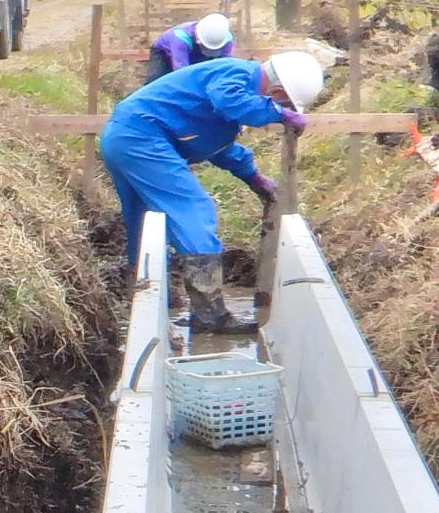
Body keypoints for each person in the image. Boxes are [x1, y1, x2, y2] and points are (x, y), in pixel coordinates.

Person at [98, 50, 326, 332]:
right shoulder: (237, 75)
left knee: (145, 221)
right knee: (195, 209)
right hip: (141, 138)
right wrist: (278, 113)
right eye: (283, 102)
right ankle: (209, 314)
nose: (275, 109)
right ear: (277, 91)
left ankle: (147, 297)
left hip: (124, 137)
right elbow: (230, 101)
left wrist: (253, 177)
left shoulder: (230, 88)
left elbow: (214, 144)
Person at [146, 11, 235, 80]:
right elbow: (182, 73)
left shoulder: (225, 39)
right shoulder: (180, 38)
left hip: (195, 53)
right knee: (156, 80)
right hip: (164, 53)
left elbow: (226, 66)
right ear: (198, 39)